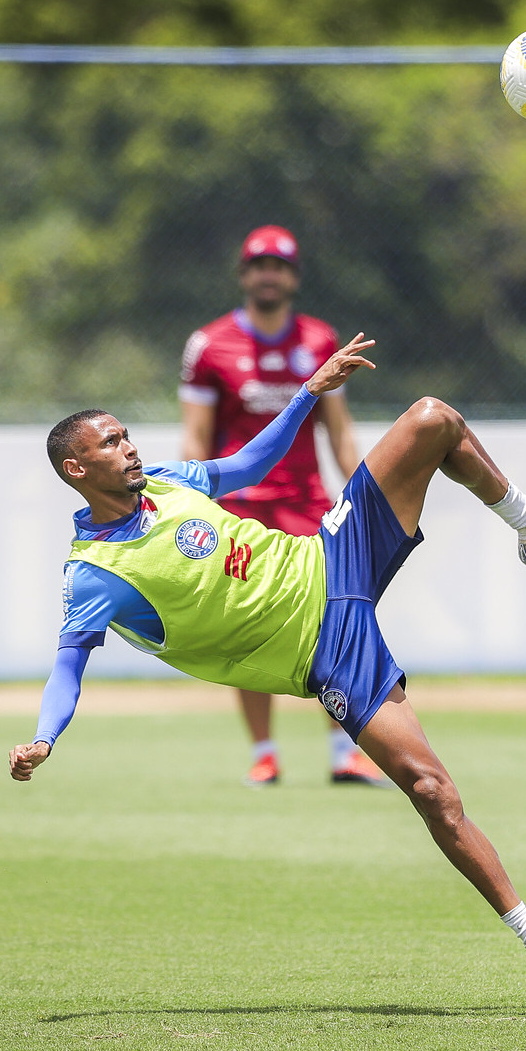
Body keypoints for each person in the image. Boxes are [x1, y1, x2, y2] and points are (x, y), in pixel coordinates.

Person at [12, 333, 526, 1012]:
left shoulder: (169, 483)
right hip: (324, 653)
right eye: (110, 442)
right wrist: (45, 737)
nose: (129, 447)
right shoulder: (94, 575)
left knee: (432, 418)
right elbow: (67, 668)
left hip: (330, 558)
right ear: (75, 468)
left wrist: (306, 393)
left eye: (124, 435)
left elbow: (247, 464)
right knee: (430, 787)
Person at [179, 225, 379, 788]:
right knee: (245, 626)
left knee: (334, 619)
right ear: (244, 275)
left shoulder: (319, 341)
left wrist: (357, 493)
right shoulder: (209, 345)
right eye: (258, 264)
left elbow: (338, 431)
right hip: (238, 509)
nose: (269, 274)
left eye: (279, 265)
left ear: (293, 277)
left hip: (307, 502)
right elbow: (195, 439)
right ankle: (264, 753)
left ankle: (346, 751)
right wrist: (198, 510)